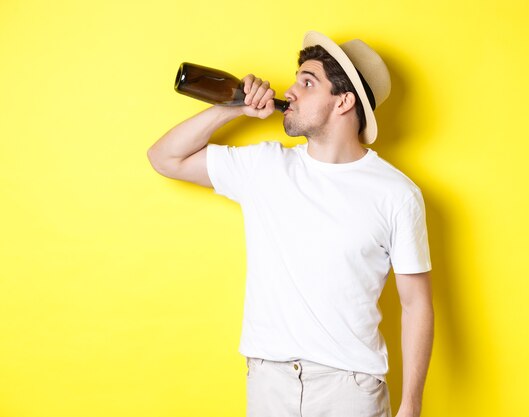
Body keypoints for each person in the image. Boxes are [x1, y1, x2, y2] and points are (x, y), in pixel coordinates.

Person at [147, 30, 434, 417]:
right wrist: (234, 106)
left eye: (308, 82)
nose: (291, 90)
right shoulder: (266, 167)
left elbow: (416, 303)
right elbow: (165, 158)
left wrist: (411, 405)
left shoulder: (396, 193)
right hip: (269, 384)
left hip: (350, 389)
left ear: (344, 101)